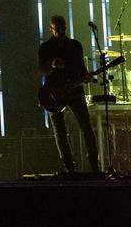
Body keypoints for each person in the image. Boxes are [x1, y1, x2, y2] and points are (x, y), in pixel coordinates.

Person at [38, 15, 100, 174]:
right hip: (54, 92)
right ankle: (69, 167)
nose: (60, 32)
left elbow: (81, 68)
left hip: (74, 91)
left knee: (86, 127)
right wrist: (52, 64)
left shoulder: (75, 45)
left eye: (62, 28)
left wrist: (86, 76)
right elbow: (42, 70)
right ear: (51, 29)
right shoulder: (45, 47)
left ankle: (94, 165)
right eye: (57, 29)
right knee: (60, 131)